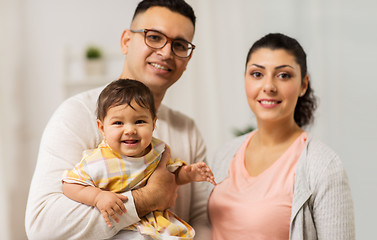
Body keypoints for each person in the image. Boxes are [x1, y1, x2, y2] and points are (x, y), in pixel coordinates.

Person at [25, 1, 211, 239]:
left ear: (187, 59)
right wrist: (148, 198)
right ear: (126, 41)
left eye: (179, 45)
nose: (166, 53)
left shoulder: (188, 130)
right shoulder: (75, 115)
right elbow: (42, 228)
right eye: (154, 37)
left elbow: (202, 219)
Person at [207, 33, 355, 239]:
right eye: (257, 74)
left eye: (283, 75)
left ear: (303, 84)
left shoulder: (324, 165)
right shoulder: (224, 154)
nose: (268, 86)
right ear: (245, 80)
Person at [62, 79, 215, 239]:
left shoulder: (156, 152)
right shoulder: (98, 161)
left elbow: (170, 177)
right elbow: (70, 185)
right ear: (102, 128)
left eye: (140, 121)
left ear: (153, 124)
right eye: (118, 123)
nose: (130, 130)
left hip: (156, 227)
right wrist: (97, 197)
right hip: (121, 230)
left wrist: (188, 174)